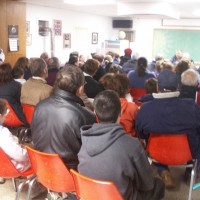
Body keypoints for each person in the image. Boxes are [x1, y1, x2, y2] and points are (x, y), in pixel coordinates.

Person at [78, 90, 165, 200]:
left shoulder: (84, 141)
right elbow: (147, 184)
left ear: (95, 113)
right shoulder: (132, 145)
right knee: (158, 185)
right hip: (122, 197)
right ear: (120, 114)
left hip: (92, 195)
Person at [135, 69, 200, 189]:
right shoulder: (191, 106)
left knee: (150, 139)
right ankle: (189, 173)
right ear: (178, 86)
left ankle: (163, 171)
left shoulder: (145, 108)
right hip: (187, 153)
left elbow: (141, 133)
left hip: (156, 153)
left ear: (158, 87)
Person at [31, 65, 96, 169]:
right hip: (69, 171)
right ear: (80, 89)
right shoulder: (85, 116)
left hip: (41, 165)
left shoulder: (40, 106)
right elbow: (91, 152)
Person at [0, 99, 30, 184]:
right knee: (38, 160)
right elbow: (21, 156)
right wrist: (29, 154)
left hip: (2, 164)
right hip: (12, 167)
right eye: (6, 113)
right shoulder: (3, 134)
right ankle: (35, 188)